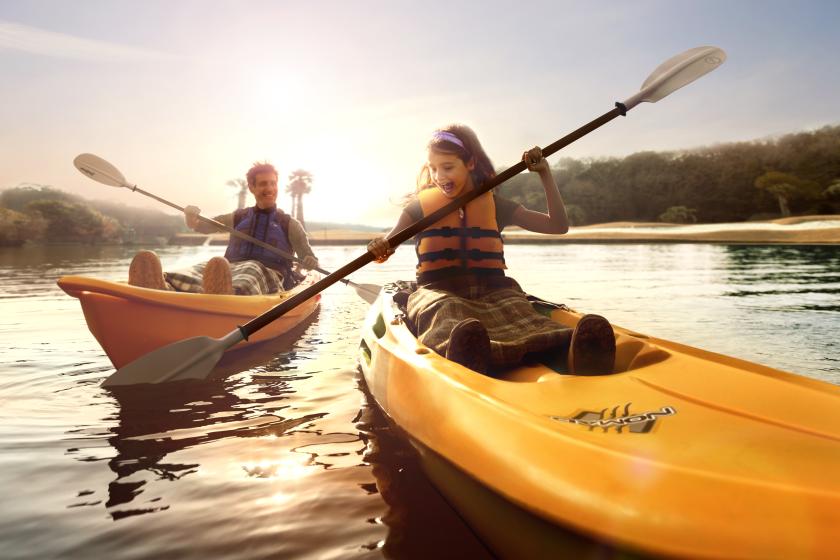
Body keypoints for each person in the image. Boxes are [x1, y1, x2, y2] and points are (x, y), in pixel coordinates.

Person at [367, 124, 615, 375]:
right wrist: (379, 247)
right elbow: (387, 247)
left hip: (494, 290)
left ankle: (579, 350)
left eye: (448, 167)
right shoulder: (418, 209)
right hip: (439, 291)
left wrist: (544, 173)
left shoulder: (496, 204)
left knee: (517, 309)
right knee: (446, 311)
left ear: (470, 163)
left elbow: (557, 226)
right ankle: (467, 354)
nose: (439, 176)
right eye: (433, 169)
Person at [128, 161, 319, 295]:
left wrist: (309, 261)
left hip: (268, 275)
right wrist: (190, 217)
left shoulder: (290, 225)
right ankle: (163, 286)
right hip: (228, 270)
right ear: (252, 188)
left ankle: (224, 296)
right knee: (206, 266)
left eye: (273, 183)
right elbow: (201, 226)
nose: (269, 189)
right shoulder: (237, 217)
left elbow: (309, 261)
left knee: (251, 268)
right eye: (263, 184)